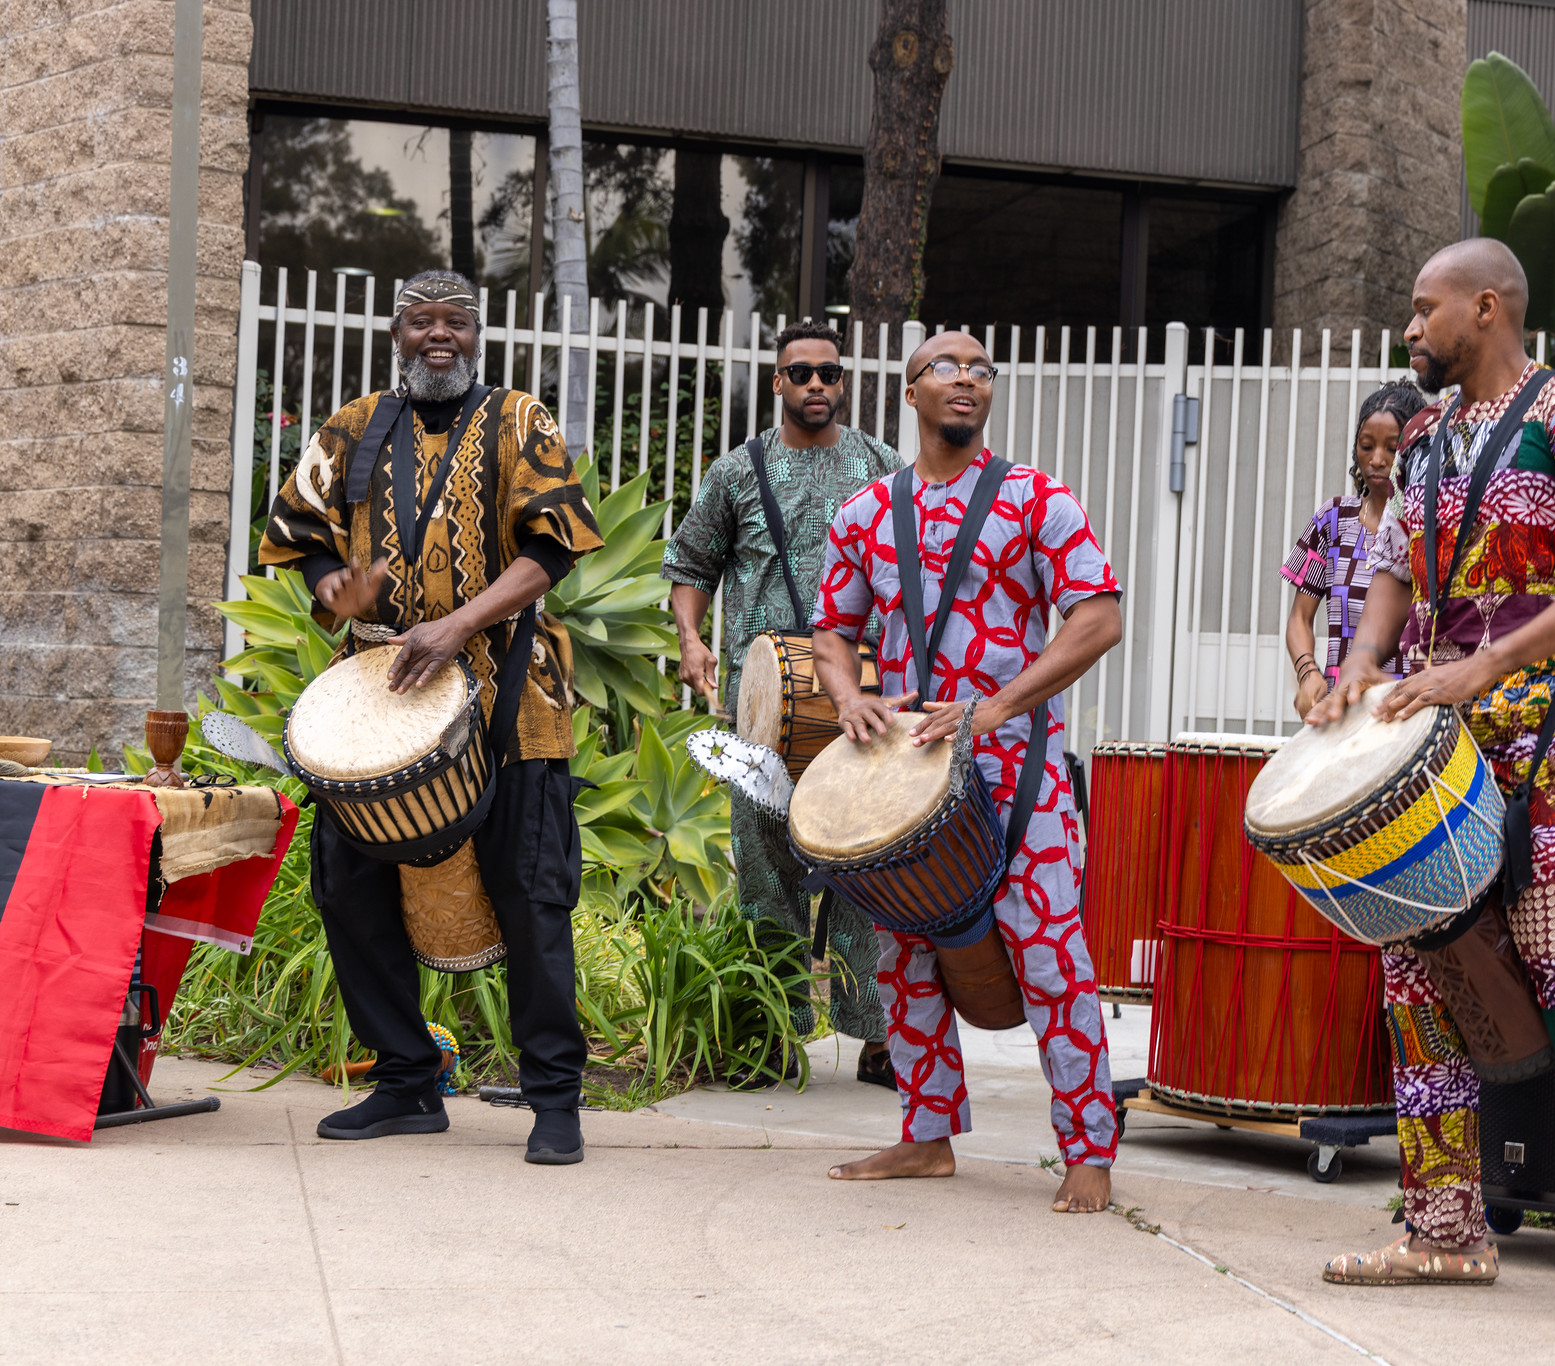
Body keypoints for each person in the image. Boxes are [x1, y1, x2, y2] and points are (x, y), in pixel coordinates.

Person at [1305, 240, 1555, 1349]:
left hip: (1551, 737)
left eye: (1422, 312)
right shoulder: (1420, 437)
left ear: (1484, 306)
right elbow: (1389, 572)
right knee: (1416, 980)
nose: (1409, 331)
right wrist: (1363, 660)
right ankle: (1442, 1229)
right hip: (1428, 748)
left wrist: (1488, 662)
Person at [259, 270, 603, 1164]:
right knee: (348, 888)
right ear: (398, 334)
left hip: (512, 690)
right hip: (379, 694)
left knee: (532, 898)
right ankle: (407, 1081)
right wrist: (330, 584)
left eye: (454, 323)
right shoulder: (353, 424)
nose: (437, 336)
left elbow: (552, 549)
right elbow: (301, 538)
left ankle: (553, 1099)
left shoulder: (521, 420)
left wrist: (457, 625)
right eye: (421, 323)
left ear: (477, 336)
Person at [807, 330, 1124, 1214]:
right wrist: (847, 696)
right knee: (903, 960)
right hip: (907, 781)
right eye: (945, 366)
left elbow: (1097, 620)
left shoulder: (1037, 498)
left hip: (1022, 777)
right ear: (910, 393)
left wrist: (993, 707)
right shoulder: (865, 513)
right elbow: (834, 631)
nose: (966, 379)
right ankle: (926, 1136)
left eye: (982, 369)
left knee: (1053, 958)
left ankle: (1089, 1150)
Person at [662, 321, 902, 1085]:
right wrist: (691, 639)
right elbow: (693, 561)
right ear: (777, 383)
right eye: (801, 374)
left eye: (829, 374)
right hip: (764, 702)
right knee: (765, 865)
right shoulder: (739, 471)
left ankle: (878, 1038)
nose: (816, 387)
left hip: (862, 696)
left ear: (843, 382)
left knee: (869, 859)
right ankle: (771, 1030)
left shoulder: (882, 465)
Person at [1280, 381, 1427, 719]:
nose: (1377, 460)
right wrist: (1307, 673)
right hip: (1340, 711)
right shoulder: (1332, 520)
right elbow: (1300, 618)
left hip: (1405, 712)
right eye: (1366, 446)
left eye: (1392, 448)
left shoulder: (1430, 527)